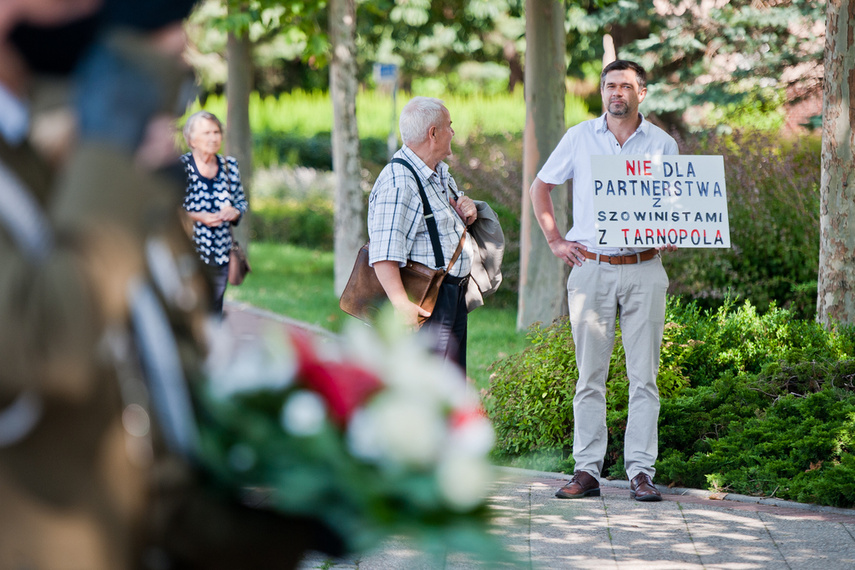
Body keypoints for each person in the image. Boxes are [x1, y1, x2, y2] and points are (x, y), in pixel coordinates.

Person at [0, 1, 339, 568]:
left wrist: (290, 531)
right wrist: (107, 154)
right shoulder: (80, 170)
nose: (177, 51)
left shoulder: (45, 160)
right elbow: (49, 346)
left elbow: (145, 448)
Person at [529, 60, 679, 503]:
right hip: (591, 268)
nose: (617, 93)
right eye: (610, 85)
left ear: (642, 93)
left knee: (644, 378)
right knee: (589, 376)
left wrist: (674, 229)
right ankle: (587, 471)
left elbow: (675, 205)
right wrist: (555, 239)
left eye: (627, 86)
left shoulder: (663, 144)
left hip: (644, 268)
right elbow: (541, 187)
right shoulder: (579, 137)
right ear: (602, 91)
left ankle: (640, 473)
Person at [367, 96, 477, 371]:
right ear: (433, 133)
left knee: (449, 384)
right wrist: (402, 305)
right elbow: (384, 255)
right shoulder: (400, 182)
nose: (453, 132)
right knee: (432, 385)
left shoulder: (436, 172)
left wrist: (465, 207)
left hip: (449, 295)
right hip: (426, 302)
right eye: (449, 126)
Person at [180, 110, 247, 316]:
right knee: (189, 310)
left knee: (215, 311)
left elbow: (240, 202)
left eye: (216, 132)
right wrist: (198, 216)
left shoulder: (229, 167)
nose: (213, 137)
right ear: (191, 139)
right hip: (187, 253)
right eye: (206, 133)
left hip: (220, 253)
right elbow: (169, 208)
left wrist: (233, 211)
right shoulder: (181, 167)